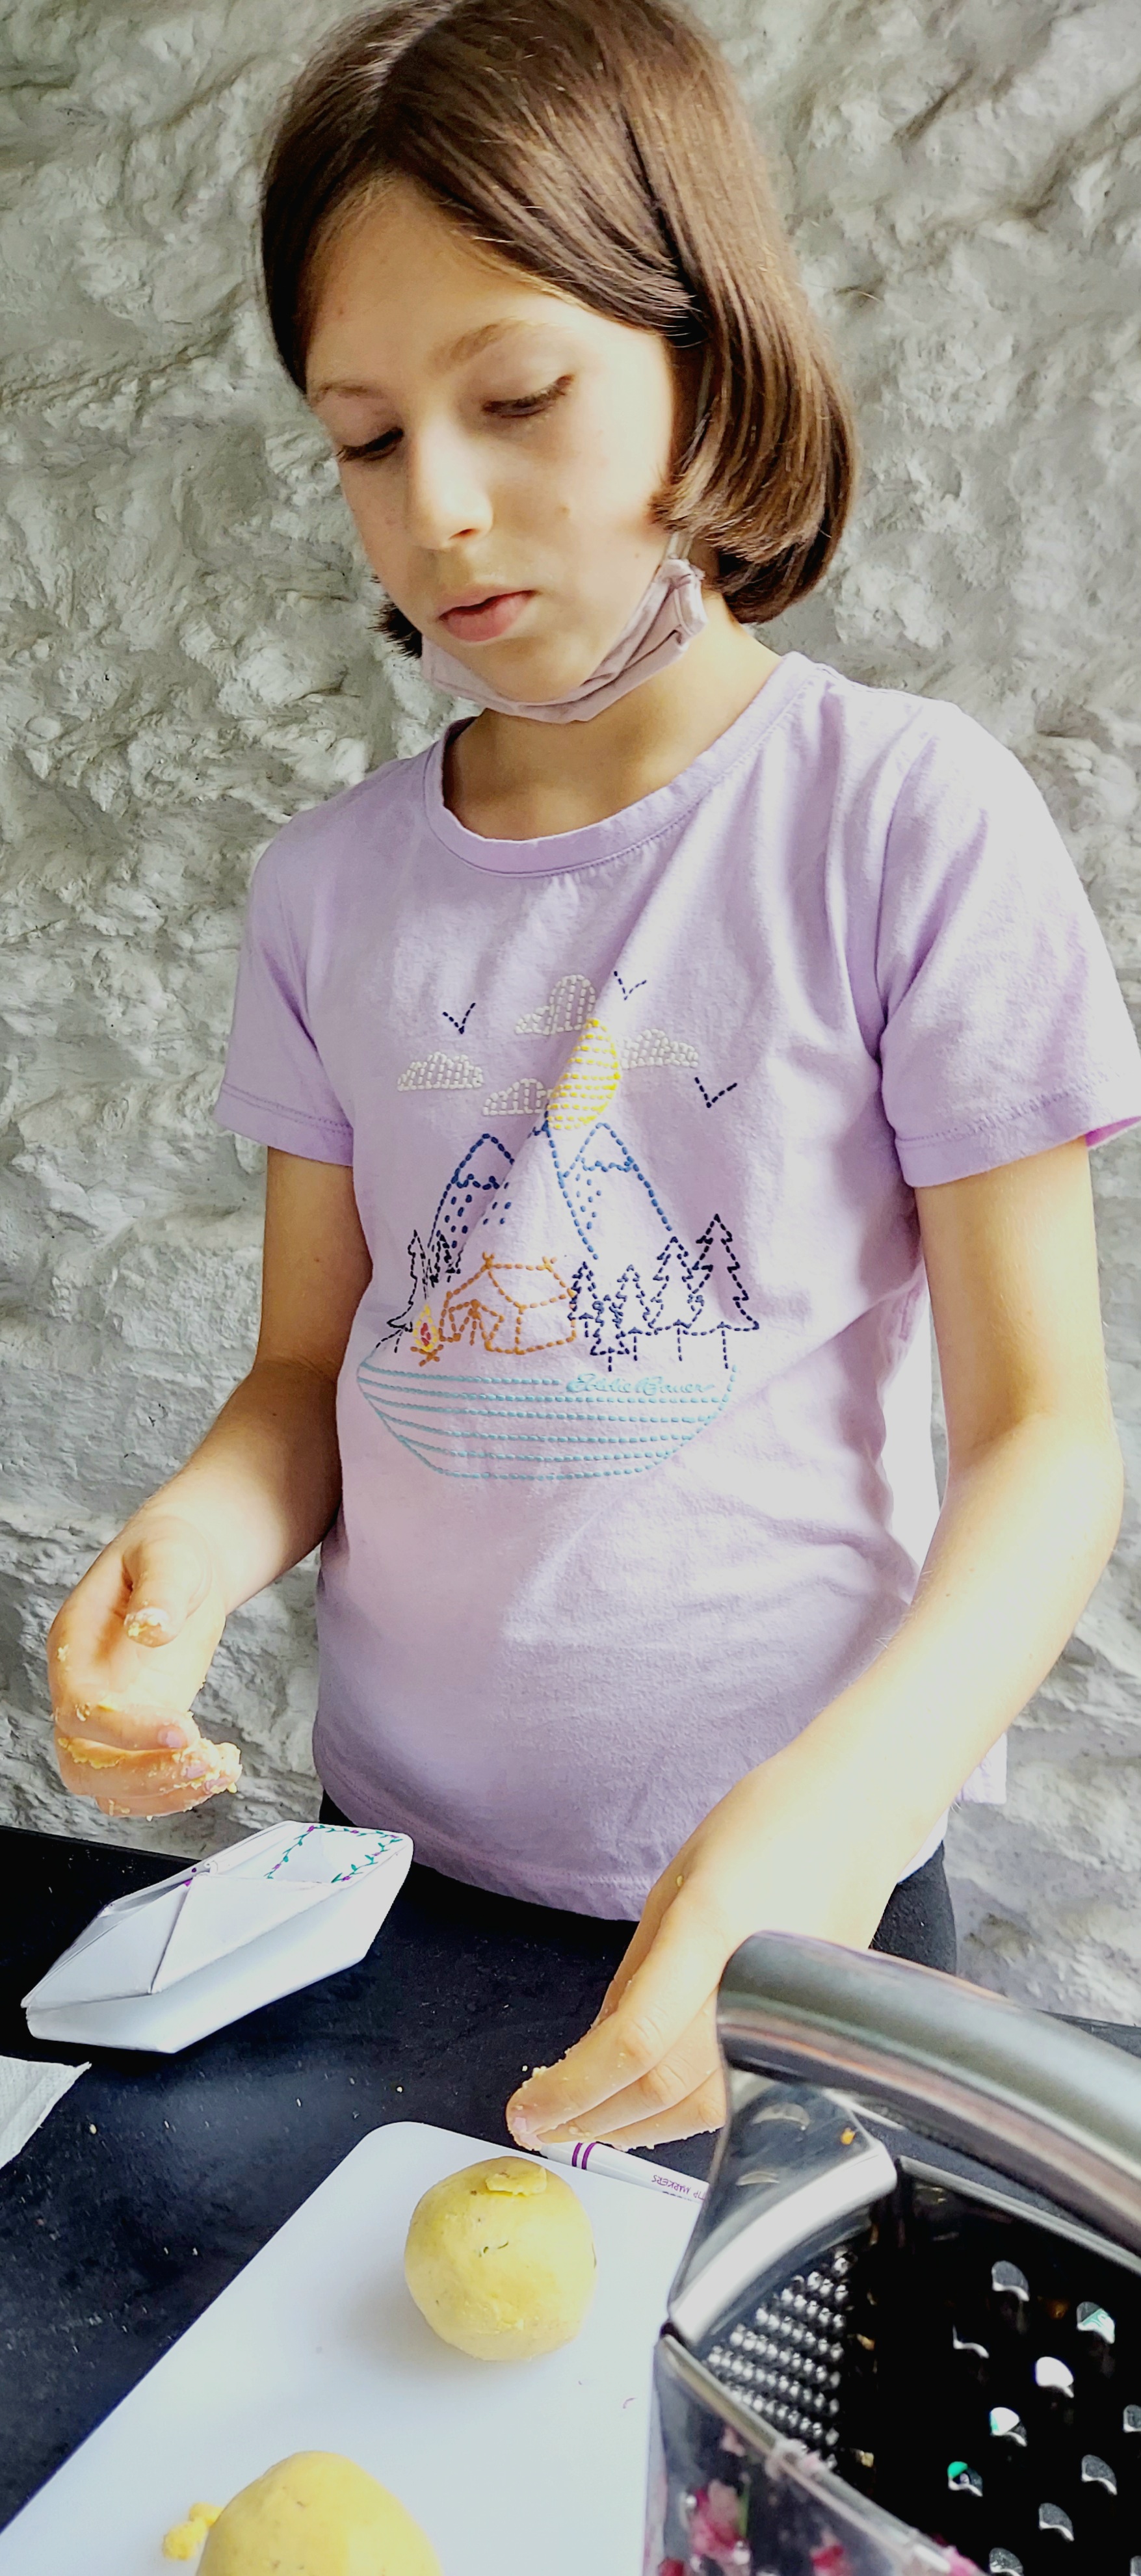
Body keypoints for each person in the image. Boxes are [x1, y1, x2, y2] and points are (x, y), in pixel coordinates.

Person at [47, 0, 1141, 2155]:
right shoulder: (325, 892)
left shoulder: (901, 817)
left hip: (802, 1888)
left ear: (704, 361)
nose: (438, 510)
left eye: (517, 397)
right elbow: (306, 1377)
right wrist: (185, 1547)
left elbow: (1043, 1442)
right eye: (366, 438)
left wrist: (835, 1817)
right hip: (396, 1873)